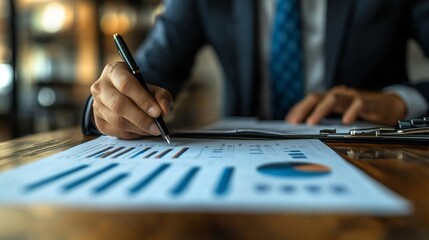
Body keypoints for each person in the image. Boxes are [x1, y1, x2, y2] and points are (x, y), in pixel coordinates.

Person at [83, 0, 429, 139]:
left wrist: (401, 102)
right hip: (242, 165)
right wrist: (111, 104)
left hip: (373, 156)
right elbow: (142, 77)